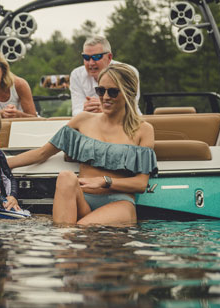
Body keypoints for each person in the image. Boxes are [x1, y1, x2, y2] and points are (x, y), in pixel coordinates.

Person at [8, 64, 157, 226]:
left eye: (113, 92)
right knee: (66, 177)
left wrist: (105, 181)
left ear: (129, 93)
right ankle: (64, 235)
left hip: (119, 202)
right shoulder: (82, 120)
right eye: (101, 91)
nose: (105, 97)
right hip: (82, 200)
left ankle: (67, 233)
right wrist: (2, 163)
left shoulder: (143, 130)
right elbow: (42, 153)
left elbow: (141, 184)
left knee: (80, 229)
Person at [70, 35, 141, 116]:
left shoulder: (128, 72)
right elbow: (76, 110)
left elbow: (131, 107)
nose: (91, 63)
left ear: (109, 57)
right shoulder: (76, 75)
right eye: (86, 57)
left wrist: (105, 108)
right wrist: (84, 110)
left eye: (96, 57)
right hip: (91, 120)